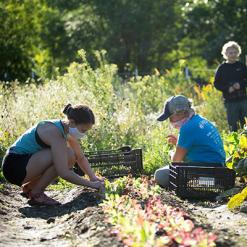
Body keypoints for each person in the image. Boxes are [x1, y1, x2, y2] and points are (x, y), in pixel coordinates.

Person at [1, 103, 105, 205]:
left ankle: (30, 187)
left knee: (69, 154)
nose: (84, 134)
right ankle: (37, 193)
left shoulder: (65, 129)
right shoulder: (55, 133)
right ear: (72, 122)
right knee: (67, 155)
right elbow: (64, 172)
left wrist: (93, 177)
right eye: (83, 130)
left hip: (24, 164)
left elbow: (80, 157)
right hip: (14, 166)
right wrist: (91, 185)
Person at [154, 95, 226, 188]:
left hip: (206, 171)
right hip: (219, 169)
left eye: (171, 117)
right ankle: (210, 183)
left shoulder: (187, 128)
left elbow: (176, 161)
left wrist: (172, 153)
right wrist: (178, 144)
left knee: (160, 175)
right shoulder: (200, 120)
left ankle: (204, 183)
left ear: (180, 113)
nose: (170, 121)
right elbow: (200, 148)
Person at [214, 41, 247, 132]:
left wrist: (240, 85)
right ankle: (235, 144)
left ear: (238, 53)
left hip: (243, 99)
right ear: (225, 54)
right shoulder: (222, 68)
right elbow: (216, 83)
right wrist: (228, 89)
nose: (232, 54)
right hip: (230, 101)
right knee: (233, 124)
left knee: (245, 122)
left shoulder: (242, 66)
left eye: (235, 52)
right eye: (230, 53)